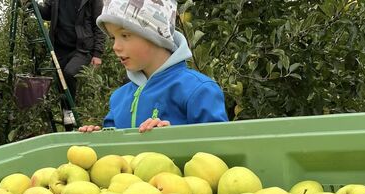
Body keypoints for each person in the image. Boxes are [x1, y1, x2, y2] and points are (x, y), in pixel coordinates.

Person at [78, 0, 228, 133]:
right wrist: (96, 141)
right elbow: (114, 153)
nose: (115, 46)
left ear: (156, 36)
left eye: (125, 35)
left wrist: (172, 138)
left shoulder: (198, 90)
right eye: (112, 38)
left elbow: (221, 150)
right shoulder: (119, 98)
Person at [37, 0, 106, 129]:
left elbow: (99, 24)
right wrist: (31, 4)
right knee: (61, 85)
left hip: (82, 48)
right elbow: (47, 13)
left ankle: (71, 113)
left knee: (69, 73)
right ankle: (68, 124)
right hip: (59, 48)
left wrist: (97, 53)